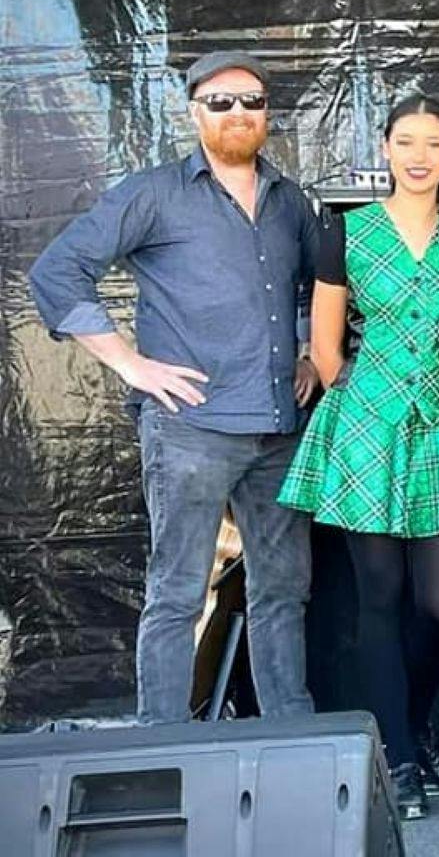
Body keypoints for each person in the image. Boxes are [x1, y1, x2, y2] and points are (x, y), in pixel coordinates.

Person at [28, 53, 318, 726]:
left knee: (284, 592)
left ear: (267, 112)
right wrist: (130, 362)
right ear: (193, 112)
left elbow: (310, 284)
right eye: (220, 102)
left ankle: (294, 739)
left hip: (280, 425)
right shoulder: (153, 193)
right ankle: (161, 744)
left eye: (251, 101)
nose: (238, 114)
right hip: (191, 430)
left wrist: (307, 347)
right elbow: (58, 272)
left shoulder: (289, 199)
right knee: (177, 593)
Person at [277, 95, 439, 817]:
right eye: (404, 141)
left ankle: (413, 723)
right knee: (378, 598)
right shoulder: (345, 231)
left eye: (432, 143)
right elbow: (324, 343)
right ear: (386, 149)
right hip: (366, 429)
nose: (417, 154)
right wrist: (366, 398)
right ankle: (400, 761)